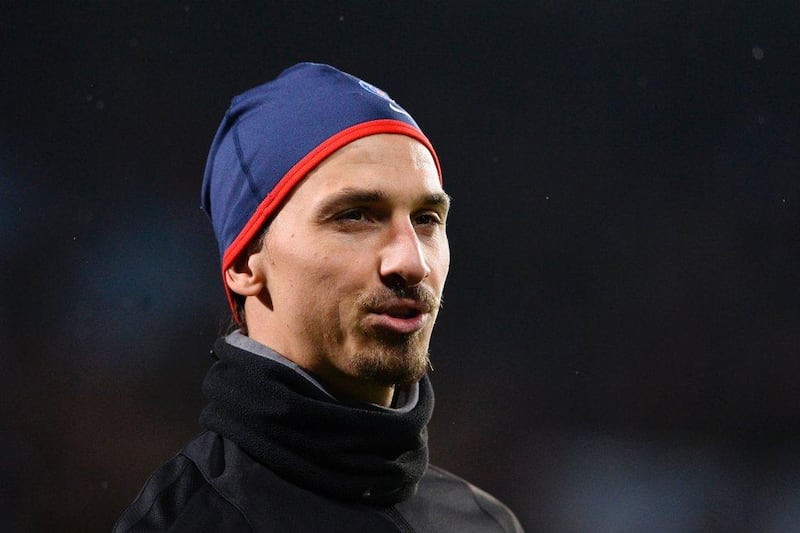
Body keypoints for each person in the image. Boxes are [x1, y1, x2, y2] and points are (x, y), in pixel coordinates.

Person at [114, 62, 522, 532]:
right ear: (247, 262)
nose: (412, 262)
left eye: (426, 219)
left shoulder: (486, 523)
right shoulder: (187, 523)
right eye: (355, 216)